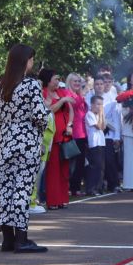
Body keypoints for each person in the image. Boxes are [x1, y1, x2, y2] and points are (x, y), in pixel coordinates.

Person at [0, 44, 50, 252]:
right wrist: (43, 121)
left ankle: (8, 239)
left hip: (6, 140)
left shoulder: (4, 84)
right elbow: (40, 115)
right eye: (31, 59)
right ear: (25, 61)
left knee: (6, 188)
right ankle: (22, 239)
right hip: (26, 141)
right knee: (21, 189)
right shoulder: (30, 85)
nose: (32, 63)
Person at [38, 69, 75, 210]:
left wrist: (70, 125)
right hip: (51, 135)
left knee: (64, 169)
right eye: (55, 79)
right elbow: (49, 109)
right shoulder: (43, 93)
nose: (58, 81)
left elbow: (70, 110)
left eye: (58, 79)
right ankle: (53, 200)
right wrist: (63, 100)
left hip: (65, 134)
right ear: (48, 80)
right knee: (53, 168)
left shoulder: (61, 92)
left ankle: (63, 198)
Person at [66, 73, 89, 196]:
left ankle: (75, 187)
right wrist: (84, 91)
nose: (77, 83)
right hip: (72, 132)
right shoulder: (68, 94)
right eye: (75, 81)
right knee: (71, 162)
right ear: (69, 82)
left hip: (82, 132)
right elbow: (74, 104)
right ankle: (68, 187)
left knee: (80, 162)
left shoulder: (80, 94)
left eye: (79, 81)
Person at [85, 95, 106, 196]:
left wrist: (102, 114)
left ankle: (99, 187)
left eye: (101, 104)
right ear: (92, 104)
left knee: (101, 166)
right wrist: (101, 114)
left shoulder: (99, 115)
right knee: (95, 166)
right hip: (94, 143)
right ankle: (91, 188)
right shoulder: (89, 114)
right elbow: (99, 127)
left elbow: (104, 126)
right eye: (97, 104)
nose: (99, 106)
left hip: (101, 142)